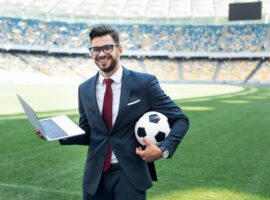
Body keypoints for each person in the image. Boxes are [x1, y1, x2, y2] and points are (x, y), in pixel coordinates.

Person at [36, 24, 189, 200]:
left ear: (120, 49)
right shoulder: (84, 89)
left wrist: (163, 149)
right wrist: (55, 133)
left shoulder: (144, 83)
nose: (101, 54)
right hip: (95, 179)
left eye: (107, 47)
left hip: (130, 177)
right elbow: (89, 132)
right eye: (95, 49)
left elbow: (180, 119)